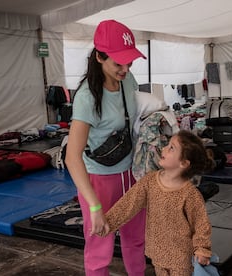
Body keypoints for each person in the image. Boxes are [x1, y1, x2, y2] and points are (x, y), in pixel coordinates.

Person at [64, 20, 147, 275]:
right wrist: (94, 206)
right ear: (99, 56)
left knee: (136, 239)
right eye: (118, 63)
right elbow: (72, 158)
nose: (125, 69)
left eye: (129, 62)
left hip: (131, 174)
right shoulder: (87, 98)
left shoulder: (127, 79)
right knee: (100, 245)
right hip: (100, 180)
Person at [102, 130, 216, 276]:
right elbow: (129, 203)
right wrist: (108, 222)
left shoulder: (190, 194)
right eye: (167, 145)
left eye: (171, 148)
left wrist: (202, 249)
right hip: (158, 255)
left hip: (181, 259)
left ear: (184, 163)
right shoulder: (150, 181)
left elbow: (201, 223)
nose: (164, 148)